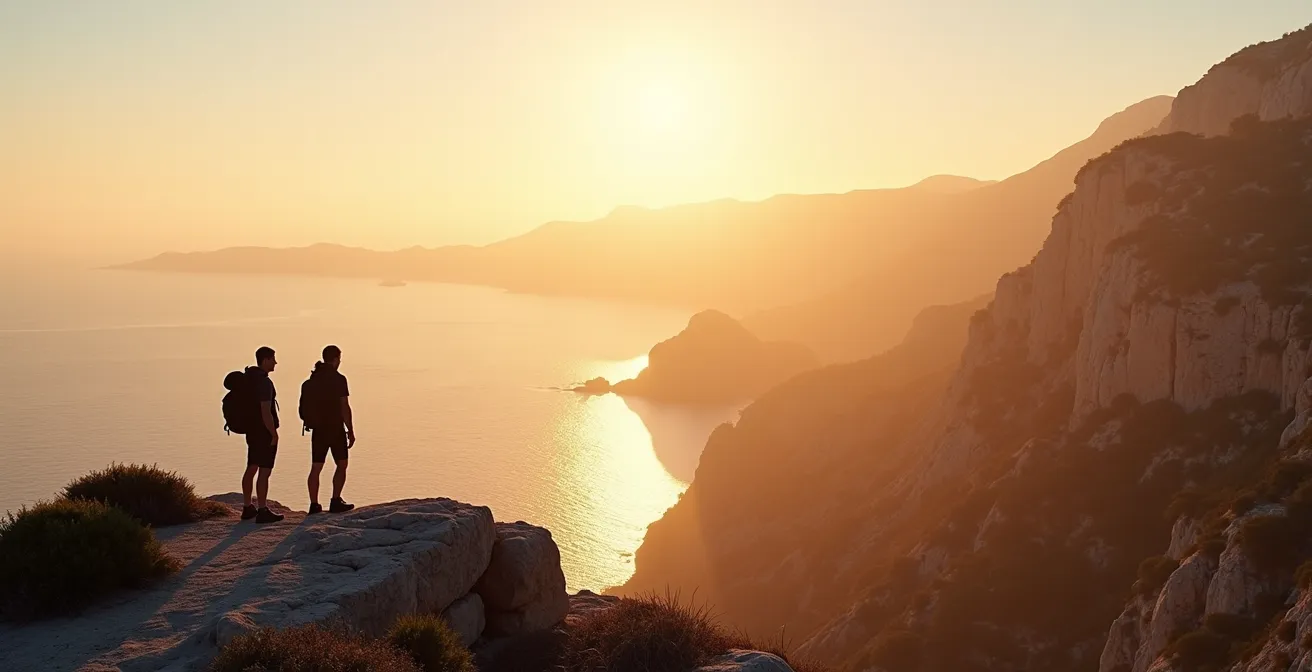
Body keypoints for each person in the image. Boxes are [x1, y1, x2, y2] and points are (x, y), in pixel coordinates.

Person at [306, 345, 356, 514]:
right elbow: (345, 406)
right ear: (335, 359)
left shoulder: (314, 378)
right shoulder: (338, 378)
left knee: (316, 467)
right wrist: (350, 430)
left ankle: (314, 504)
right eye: (339, 358)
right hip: (335, 428)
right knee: (342, 464)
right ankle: (335, 500)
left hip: (318, 429)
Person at [242, 346, 285, 524]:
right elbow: (265, 410)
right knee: (264, 471)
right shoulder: (264, 382)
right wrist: (273, 434)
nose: (275, 362)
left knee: (252, 467)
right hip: (263, 432)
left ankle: (247, 507)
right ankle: (262, 510)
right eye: (273, 358)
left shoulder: (248, 379)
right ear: (265, 360)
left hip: (251, 430)